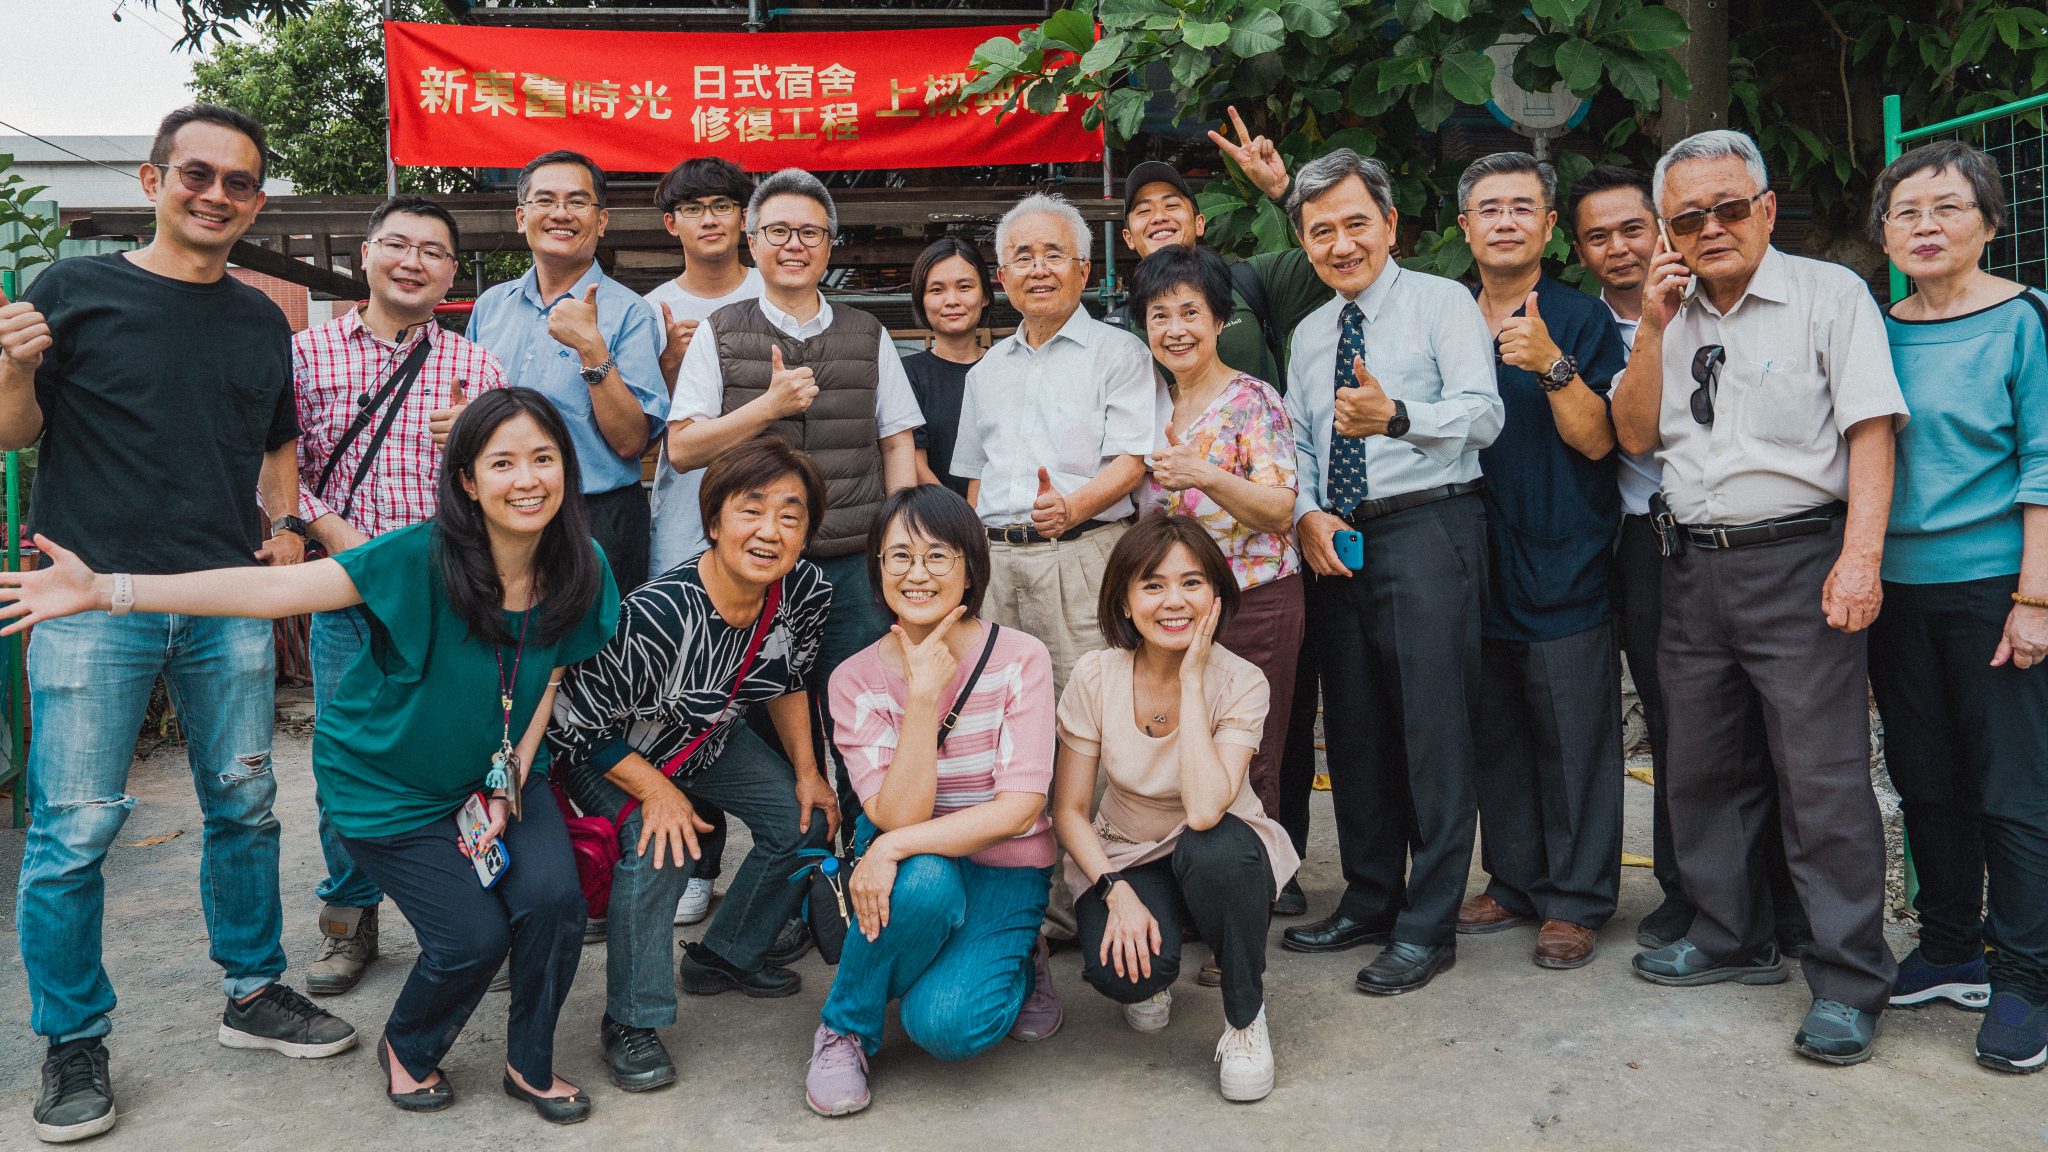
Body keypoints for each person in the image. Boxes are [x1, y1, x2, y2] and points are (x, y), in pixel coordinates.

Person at [0, 387, 618, 1125]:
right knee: (472, 939)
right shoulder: (416, 557)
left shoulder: (581, 565)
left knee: (555, 902)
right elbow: (275, 589)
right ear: (467, 480)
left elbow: (547, 675)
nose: (527, 480)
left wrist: (509, 781)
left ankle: (530, 1063)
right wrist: (108, 588)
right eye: (503, 462)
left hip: (494, 773)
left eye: (543, 459)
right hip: (387, 787)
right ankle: (409, 1048)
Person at [0, 103, 357, 1145]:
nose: (216, 194)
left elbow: (277, 441)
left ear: (256, 202)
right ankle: (73, 1041)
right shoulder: (72, 291)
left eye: (239, 181)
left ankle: (253, 991)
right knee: (73, 832)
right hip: (86, 596)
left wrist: (283, 527)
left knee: (245, 803)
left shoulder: (256, 319)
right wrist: (13, 367)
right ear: (154, 181)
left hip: (221, 597)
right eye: (196, 174)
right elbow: (14, 433)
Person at [1612, 129, 1907, 1065]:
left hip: (1799, 561)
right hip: (1691, 564)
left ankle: (1850, 979)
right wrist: (1652, 328)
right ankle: (1730, 934)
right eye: (1687, 217)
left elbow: (1870, 432)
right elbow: (1631, 435)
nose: (1711, 228)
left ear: (1768, 209)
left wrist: (1860, 560)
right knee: (1701, 766)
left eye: (1729, 208)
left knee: (1821, 781)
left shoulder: (1829, 295)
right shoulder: (1667, 312)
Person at [1274, 150, 1503, 1000]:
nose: (1341, 244)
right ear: (1304, 242)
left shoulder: (1442, 303)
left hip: (1429, 527)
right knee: (1356, 730)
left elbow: (1485, 414)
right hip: (1338, 541)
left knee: (1433, 730)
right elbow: (1299, 442)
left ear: (1392, 224)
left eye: (1355, 223)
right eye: (1321, 231)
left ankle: (1427, 924)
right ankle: (1370, 898)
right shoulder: (1310, 333)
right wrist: (1306, 514)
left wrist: (1396, 416)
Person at [1569, 165, 1812, 957]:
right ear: (1580, 250)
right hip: (1631, 539)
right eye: (1598, 237)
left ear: (1663, 229)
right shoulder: (1579, 323)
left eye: (1633, 229)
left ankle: (1783, 898)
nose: (1619, 248)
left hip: (1719, 532)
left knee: (1760, 728)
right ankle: (1691, 892)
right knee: (1681, 727)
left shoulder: (1719, 301)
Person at [547, 438, 838, 1095]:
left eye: (790, 516)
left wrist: (807, 771)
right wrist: (656, 791)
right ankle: (631, 1019)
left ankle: (724, 955)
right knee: (662, 845)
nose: (770, 530)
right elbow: (576, 722)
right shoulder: (656, 614)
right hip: (609, 752)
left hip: (704, 739)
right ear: (713, 521)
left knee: (804, 819)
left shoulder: (805, 590)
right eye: (751, 510)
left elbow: (788, 677)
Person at [666, 167, 921, 851]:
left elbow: (897, 441)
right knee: (767, 735)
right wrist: (768, 407)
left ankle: (871, 866)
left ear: (830, 245)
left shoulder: (868, 333)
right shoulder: (721, 331)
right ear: (752, 242)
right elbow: (683, 448)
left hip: (851, 568)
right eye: (777, 231)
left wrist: (898, 550)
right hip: (755, 573)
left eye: (810, 232)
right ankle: (802, 879)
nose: (794, 245)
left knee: (866, 726)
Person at [292, 194, 508, 997]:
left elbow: (511, 480)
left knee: (461, 754)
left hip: (453, 598)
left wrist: (479, 441)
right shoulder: (304, 354)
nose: (413, 262)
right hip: (347, 596)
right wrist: (341, 541)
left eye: (433, 252)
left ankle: (473, 910)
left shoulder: (477, 367)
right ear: (367, 254)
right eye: (398, 244)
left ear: (451, 274)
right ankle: (349, 917)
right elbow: (277, 470)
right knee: (347, 763)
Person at [1868, 140, 2048, 1074]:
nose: (1926, 226)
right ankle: (1948, 949)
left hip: (1996, 588)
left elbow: (2045, 462)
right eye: (1906, 211)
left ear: (1989, 221)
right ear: (1884, 233)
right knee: (1925, 776)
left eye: (1948, 207)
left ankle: (2025, 979)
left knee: (2012, 788)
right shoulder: (1871, 327)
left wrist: (2035, 597)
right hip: (1893, 592)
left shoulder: (2025, 319)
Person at [806, 485, 1062, 1117]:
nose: (916, 574)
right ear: (877, 567)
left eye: (937, 556)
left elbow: (1020, 809)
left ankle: (1020, 958)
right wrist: (921, 698)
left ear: (970, 569)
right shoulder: (853, 679)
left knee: (946, 1027)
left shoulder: (1021, 658)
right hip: (920, 865)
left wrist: (887, 847)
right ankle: (844, 1028)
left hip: (1005, 865)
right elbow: (898, 816)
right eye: (899, 556)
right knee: (923, 884)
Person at [1451, 153, 1627, 970]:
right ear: (1465, 228)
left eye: (1523, 207)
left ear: (1550, 227)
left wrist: (1552, 363)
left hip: (1563, 552)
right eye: (1489, 208)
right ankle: (1516, 881)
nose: (1506, 221)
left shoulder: (1579, 318)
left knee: (1572, 733)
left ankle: (1576, 900)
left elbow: (1599, 440)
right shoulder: (1445, 316)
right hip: (1468, 554)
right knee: (1497, 731)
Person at [1055, 515, 1298, 1103]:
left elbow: (1208, 809)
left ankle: (1245, 1020)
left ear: (1217, 594)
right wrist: (1114, 889)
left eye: (1192, 583)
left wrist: (1192, 680)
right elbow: (1068, 810)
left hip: (1219, 844)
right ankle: (1155, 969)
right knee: (1123, 974)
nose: (1174, 601)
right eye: (1153, 584)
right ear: (1125, 599)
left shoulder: (1241, 681)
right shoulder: (1095, 674)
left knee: (1215, 850)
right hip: (1126, 851)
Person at [1130, 245, 1306, 917]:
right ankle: (1198, 899)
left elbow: (1279, 508)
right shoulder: (1153, 405)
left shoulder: (1252, 399)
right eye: (1159, 315)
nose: (1175, 329)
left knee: (1248, 761)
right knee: (1186, 754)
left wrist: (1202, 472)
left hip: (1253, 602)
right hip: (1176, 613)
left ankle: (1246, 910)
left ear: (1218, 321)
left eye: (1190, 313)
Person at [952, 192, 1158, 694]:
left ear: (1083, 271)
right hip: (996, 564)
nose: (1038, 269)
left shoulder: (1120, 353)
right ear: (1003, 278)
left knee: (1089, 706)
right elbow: (977, 475)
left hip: (1082, 556)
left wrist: (1071, 508)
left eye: (1053, 254)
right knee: (999, 705)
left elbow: (1132, 462)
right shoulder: (986, 371)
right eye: (1023, 257)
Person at [642, 155, 764, 929]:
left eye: (724, 205)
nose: (711, 219)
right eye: (695, 208)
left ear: (744, 218)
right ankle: (697, 859)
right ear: (672, 223)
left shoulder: (775, 293)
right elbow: (633, 431)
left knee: (777, 688)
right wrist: (666, 366)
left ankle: (787, 864)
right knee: (689, 693)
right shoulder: (650, 308)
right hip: (686, 522)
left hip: (771, 522)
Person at [466, 149, 667, 592]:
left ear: (601, 220)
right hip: (500, 511)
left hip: (596, 517)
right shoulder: (490, 307)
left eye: (578, 201)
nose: (561, 213)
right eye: (545, 200)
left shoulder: (631, 312)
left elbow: (631, 441)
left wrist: (591, 348)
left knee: (602, 637)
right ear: (521, 216)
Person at [904, 238, 993, 498]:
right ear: (921, 300)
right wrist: (957, 515)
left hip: (1003, 514)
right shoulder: (907, 374)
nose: (952, 300)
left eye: (964, 287)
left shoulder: (1006, 366)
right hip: (938, 515)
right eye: (937, 290)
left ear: (985, 296)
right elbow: (914, 463)